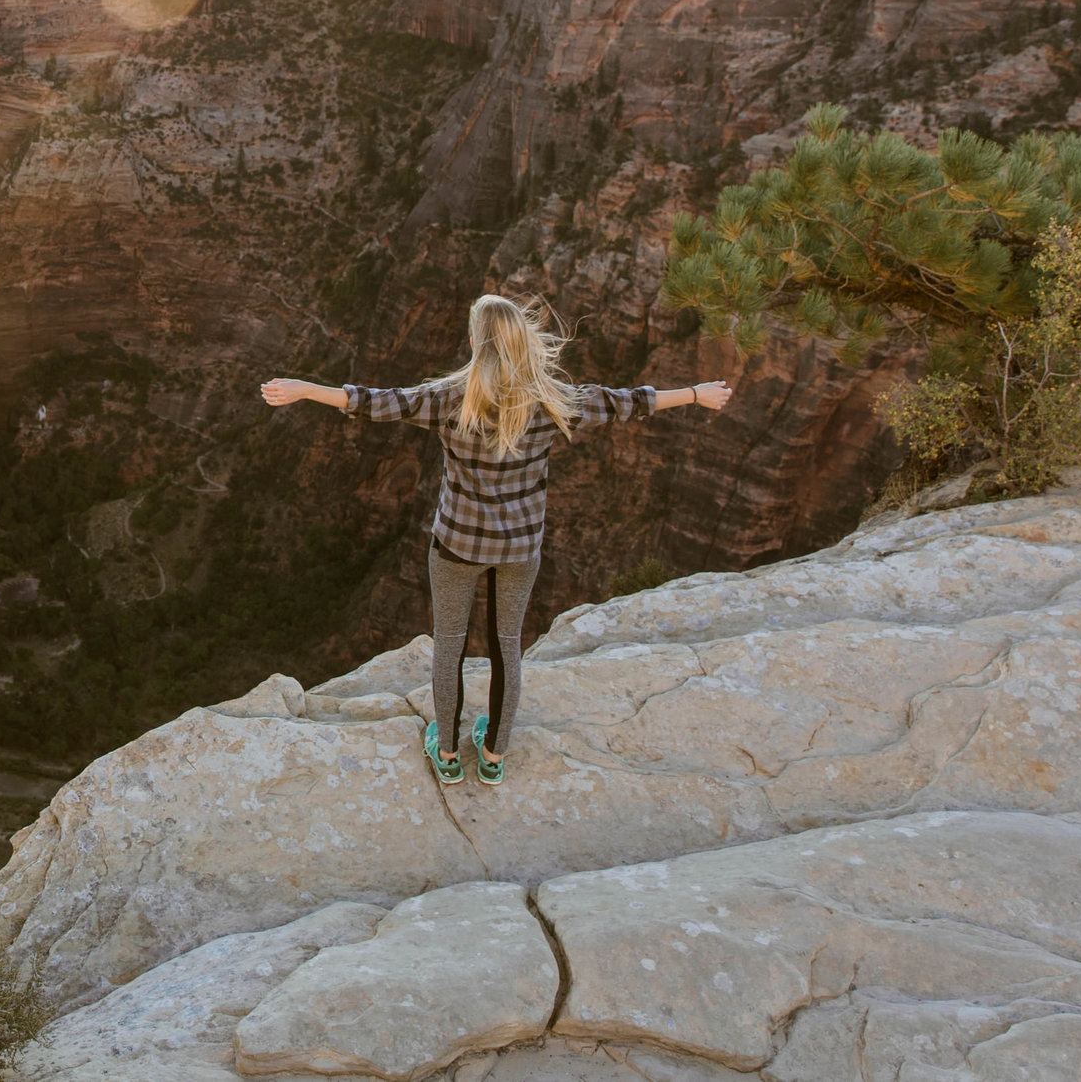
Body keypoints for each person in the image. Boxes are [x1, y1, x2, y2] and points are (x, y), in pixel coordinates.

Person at [260, 294, 731, 787]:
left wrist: (308, 389)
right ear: (521, 340)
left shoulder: (449, 398)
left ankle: (446, 753)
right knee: (508, 645)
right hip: (520, 548)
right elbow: (625, 402)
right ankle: (493, 756)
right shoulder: (552, 400)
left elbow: (381, 402)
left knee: (450, 645)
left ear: (473, 342)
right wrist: (696, 393)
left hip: (457, 543)